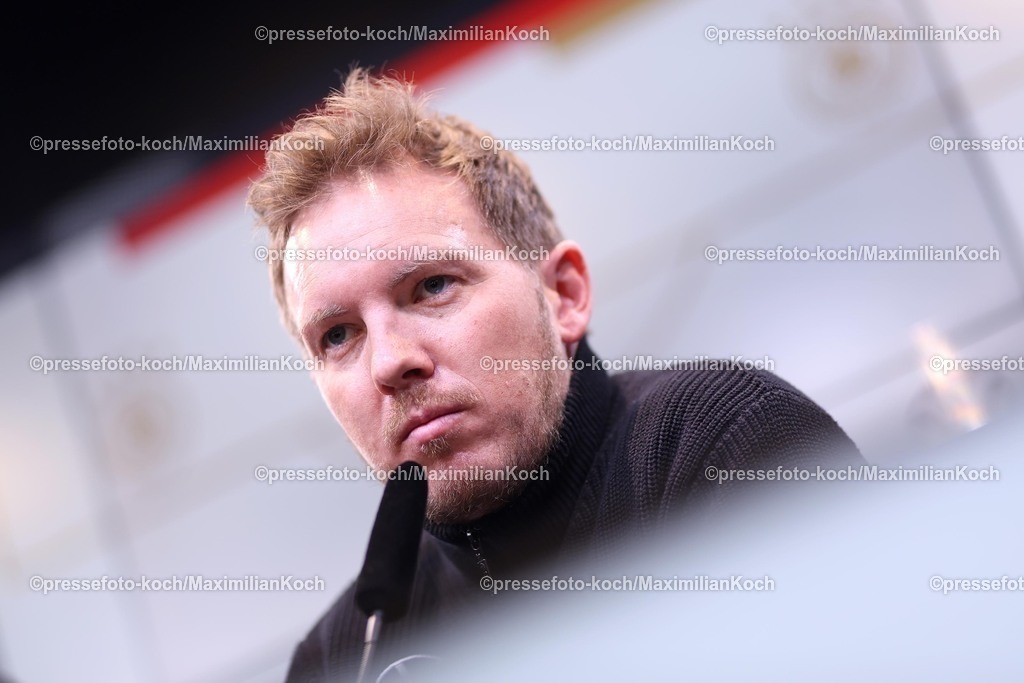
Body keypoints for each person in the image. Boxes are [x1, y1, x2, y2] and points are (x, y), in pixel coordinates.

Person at [247, 68, 862, 682]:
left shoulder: (722, 442)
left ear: (563, 295)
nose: (388, 362)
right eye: (338, 335)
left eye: (432, 287)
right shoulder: (344, 656)